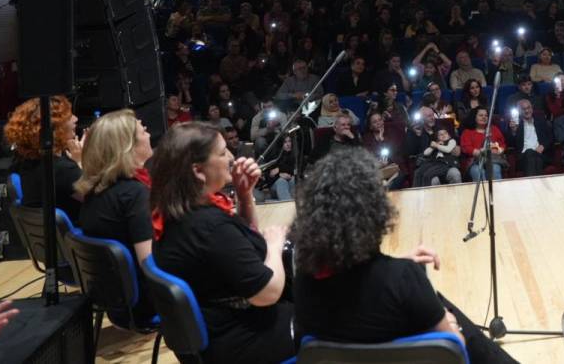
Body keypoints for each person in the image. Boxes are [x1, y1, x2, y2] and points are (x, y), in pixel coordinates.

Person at [292, 148, 518, 363]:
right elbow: (454, 352)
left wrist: (397, 266)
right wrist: (452, 326)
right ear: (374, 210)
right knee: (454, 320)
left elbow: (358, 280)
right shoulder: (403, 279)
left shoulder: (304, 281)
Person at [151, 123, 294, 364]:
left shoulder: (178, 213)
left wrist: (245, 194)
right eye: (222, 152)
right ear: (198, 170)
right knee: (336, 314)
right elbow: (267, 293)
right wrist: (275, 245)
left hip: (221, 331)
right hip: (241, 341)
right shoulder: (209, 227)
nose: (231, 157)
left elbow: (244, 246)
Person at [75, 109, 156, 327]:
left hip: (117, 303)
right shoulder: (134, 195)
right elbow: (150, 264)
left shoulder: (95, 191)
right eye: (142, 130)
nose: (148, 132)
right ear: (128, 147)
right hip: (148, 304)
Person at [6, 96, 83, 220]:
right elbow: (99, 201)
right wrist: (80, 161)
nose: (76, 119)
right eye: (69, 117)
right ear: (53, 128)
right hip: (73, 236)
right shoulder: (62, 170)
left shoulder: (24, 164)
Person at [507, 99, 553, 177]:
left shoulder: (541, 121)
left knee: (535, 157)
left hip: (540, 154)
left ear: (532, 108)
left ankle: (531, 186)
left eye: (529, 108)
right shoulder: (516, 124)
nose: (527, 111)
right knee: (529, 152)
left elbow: (551, 137)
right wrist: (513, 131)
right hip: (523, 157)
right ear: (519, 111)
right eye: (523, 109)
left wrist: (543, 146)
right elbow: (511, 144)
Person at [459, 108, 506, 181]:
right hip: (475, 161)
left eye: (486, 115)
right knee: (477, 172)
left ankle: (497, 192)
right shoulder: (467, 132)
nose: (484, 117)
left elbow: (502, 144)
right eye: (481, 115)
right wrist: (480, 152)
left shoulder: (494, 129)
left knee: (495, 169)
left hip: (493, 159)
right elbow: (466, 148)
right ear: (474, 117)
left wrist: (499, 151)